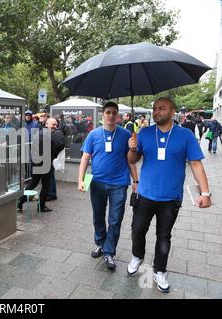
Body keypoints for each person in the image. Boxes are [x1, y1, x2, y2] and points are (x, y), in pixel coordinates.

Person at [127, 97, 212, 293]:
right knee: (137, 230)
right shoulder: (145, 133)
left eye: (161, 108)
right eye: (155, 109)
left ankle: (159, 270)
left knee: (163, 236)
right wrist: (132, 148)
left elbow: (196, 164)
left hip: (171, 198)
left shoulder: (186, 135)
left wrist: (205, 192)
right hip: (145, 195)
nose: (156, 112)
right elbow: (132, 159)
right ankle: (137, 256)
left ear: (172, 111)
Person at [78, 102, 139, 270]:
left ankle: (109, 252)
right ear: (103, 115)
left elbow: (131, 160)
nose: (111, 115)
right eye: (108, 112)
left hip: (119, 184)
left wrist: (136, 181)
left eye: (114, 112)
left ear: (118, 115)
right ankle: (100, 243)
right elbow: (85, 157)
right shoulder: (93, 134)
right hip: (97, 182)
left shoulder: (126, 134)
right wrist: (80, 179)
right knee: (98, 215)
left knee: (115, 219)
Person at [17, 118, 65, 213]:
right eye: (53, 124)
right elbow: (54, 149)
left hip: (36, 163)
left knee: (33, 183)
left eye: (56, 124)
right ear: (46, 124)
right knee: (46, 185)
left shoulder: (40, 133)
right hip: (44, 164)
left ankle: (20, 201)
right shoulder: (46, 136)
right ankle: (41, 206)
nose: (55, 126)